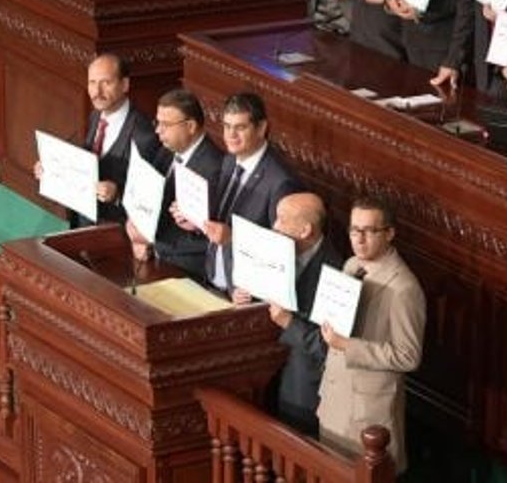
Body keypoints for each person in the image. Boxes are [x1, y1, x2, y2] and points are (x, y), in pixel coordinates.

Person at [317, 198, 425, 474]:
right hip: (335, 400)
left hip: (368, 415)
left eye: (369, 231)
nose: (359, 239)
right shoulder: (352, 265)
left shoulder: (404, 288)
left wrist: (348, 345)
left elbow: (408, 355)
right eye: (354, 230)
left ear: (389, 233)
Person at [233, 192, 343, 437]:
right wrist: (241, 293)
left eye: (282, 220)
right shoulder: (274, 249)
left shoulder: (334, 272)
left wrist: (289, 322)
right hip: (262, 371)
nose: (274, 226)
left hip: (301, 391)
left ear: (305, 231)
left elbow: (329, 348)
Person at [171, 92, 301, 292]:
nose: (231, 135)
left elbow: (280, 252)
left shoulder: (280, 183)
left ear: (261, 128)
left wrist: (233, 238)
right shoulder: (230, 160)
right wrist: (196, 221)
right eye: (227, 126)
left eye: (240, 127)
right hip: (214, 281)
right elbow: (221, 220)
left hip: (245, 295)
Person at [35, 53, 160, 227]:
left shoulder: (143, 134)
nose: (97, 92)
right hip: (83, 220)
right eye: (92, 83)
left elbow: (150, 197)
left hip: (115, 232)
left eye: (105, 83)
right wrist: (50, 168)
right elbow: (84, 161)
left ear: (125, 85)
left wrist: (117, 194)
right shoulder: (96, 116)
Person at [125, 88, 224, 279]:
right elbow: (145, 192)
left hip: (185, 269)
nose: (157, 130)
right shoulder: (168, 149)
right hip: (156, 253)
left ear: (191, 126)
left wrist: (152, 241)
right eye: (157, 123)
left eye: (165, 125)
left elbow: (205, 239)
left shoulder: (214, 168)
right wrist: (135, 226)